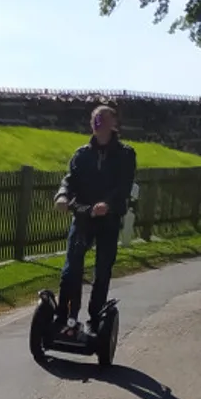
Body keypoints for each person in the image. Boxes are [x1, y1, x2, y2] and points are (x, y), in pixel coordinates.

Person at [53, 106, 136, 335]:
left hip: (108, 219)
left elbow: (124, 186)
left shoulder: (125, 154)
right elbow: (70, 179)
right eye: (95, 119)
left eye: (103, 119)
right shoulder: (82, 154)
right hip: (83, 217)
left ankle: (95, 317)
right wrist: (62, 195)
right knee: (71, 269)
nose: (98, 122)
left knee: (102, 270)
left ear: (113, 123)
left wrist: (108, 204)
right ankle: (65, 317)